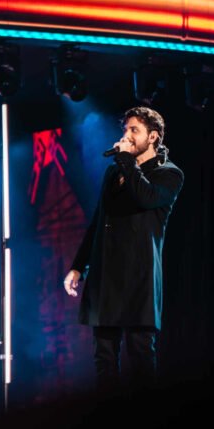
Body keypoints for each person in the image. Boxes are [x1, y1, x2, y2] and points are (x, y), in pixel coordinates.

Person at [64, 106, 183, 391]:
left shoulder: (169, 174)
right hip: (106, 273)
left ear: (152, 137)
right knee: (104, 357)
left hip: (138, 275)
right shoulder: (114, 172)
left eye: (134, 130)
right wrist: (79, 266)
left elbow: (145, 198)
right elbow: (99, 220)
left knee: (140, 355)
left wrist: (128, 161)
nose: (126, 135)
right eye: (125, 129)